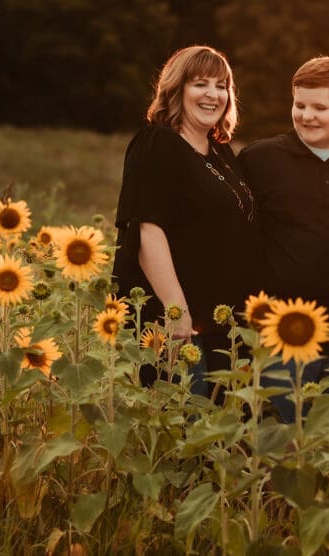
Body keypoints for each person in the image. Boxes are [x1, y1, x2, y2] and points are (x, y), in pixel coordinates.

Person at [113, 45, 263, 396]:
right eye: (200, 84)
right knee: (183, 430)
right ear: (176, 88)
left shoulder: (221, 151)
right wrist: (176, 311)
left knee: (221, 436)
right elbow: (148, 230)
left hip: (222, 325)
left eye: (222, 85)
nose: (213, 94)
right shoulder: (158, 144)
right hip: (180, 327)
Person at [239, 56, 329, 421]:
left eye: (319, 107)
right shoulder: (260, 160)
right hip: (278, 339)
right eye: (299, 105)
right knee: (279, 444)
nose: (306, 116)